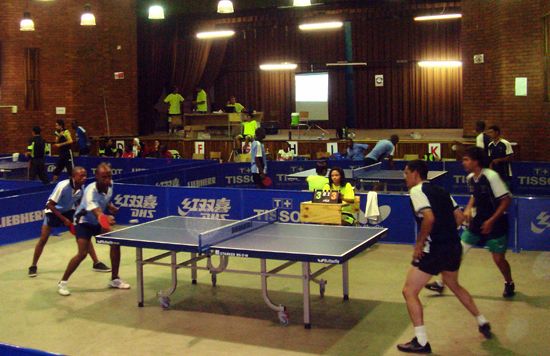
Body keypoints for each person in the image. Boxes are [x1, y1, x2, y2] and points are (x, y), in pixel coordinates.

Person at [397, 160, 491, 353]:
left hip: (435, 250)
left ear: (415, 173)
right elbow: (459, 218)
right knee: (453, 285)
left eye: (406, 173)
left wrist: (420, 244)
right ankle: (482, 321)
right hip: (453, 246)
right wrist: (446, 234)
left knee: (409, 291)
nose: (404, 177)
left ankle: (421, 342)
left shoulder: (416, 191)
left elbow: (429, 218)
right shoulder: (442, 191)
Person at [57, 163, 130, 296]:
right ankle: (62, 282)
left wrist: (110, 206)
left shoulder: (110, 185)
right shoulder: (90, 191)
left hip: (96, 222)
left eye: (109, 176)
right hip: (83, 223)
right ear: (96, 176)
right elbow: (97, 212)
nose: (107, 180)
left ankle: (114, 279)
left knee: (115, 243)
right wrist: (106, 218)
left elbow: (104, 199)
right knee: (82, 254)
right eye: (104, 177)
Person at [29, 167, 110, 277]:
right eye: (81, 176)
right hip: (53, 212)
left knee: (84, 235)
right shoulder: (63, 186)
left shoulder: (81, 187)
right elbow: (50, 205)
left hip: (68, 211)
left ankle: (96, 263)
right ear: (73, 176)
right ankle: (33, 266)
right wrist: (64, 220)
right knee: (43, 238)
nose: (84, 178)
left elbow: (81, 202)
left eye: (85, 175)